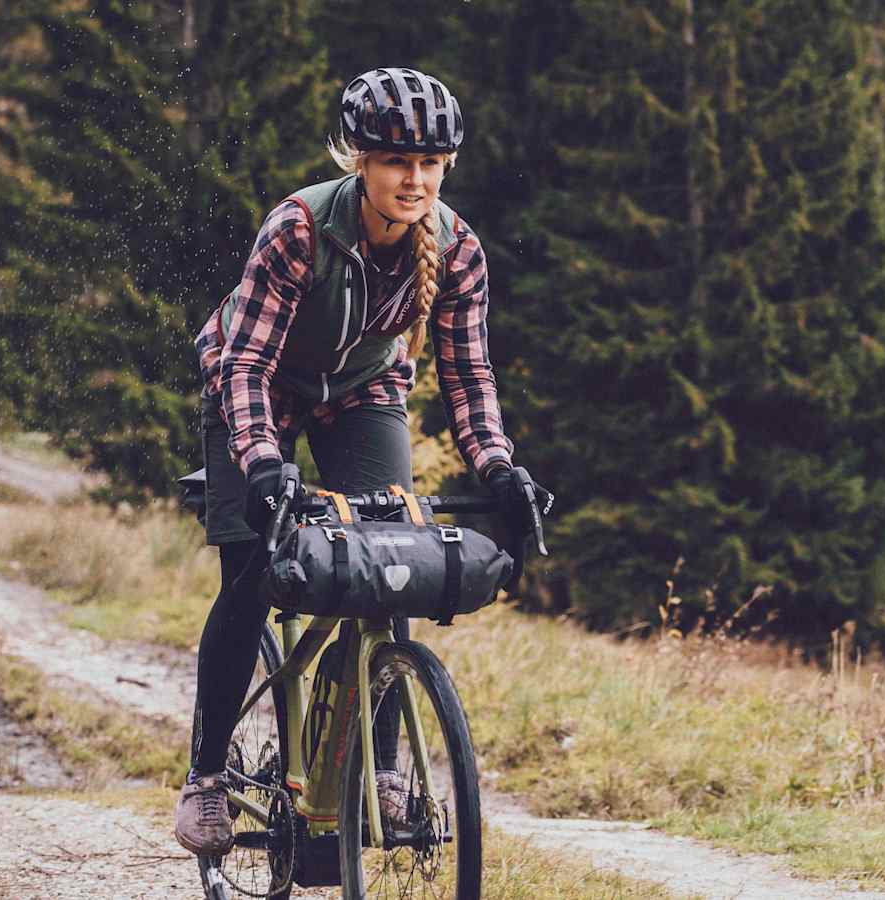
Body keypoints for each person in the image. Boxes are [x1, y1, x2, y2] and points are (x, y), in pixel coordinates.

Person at [175, 66, 548, 856]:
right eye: (395, 162)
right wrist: (266, 467)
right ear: (358, 160)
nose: (415, 180)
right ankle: (207, 777)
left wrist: (498, 468)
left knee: (393, 561)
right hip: (256, 386)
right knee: (250, 574)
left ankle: (377, 768)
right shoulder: (299, 229)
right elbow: (243, 365)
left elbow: (469, 376)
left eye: (430, 164)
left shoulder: (459, 250)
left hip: (363, 391)